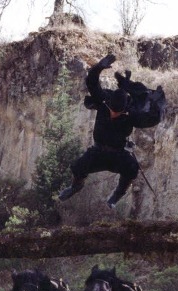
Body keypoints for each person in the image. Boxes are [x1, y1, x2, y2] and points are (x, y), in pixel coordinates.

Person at [58, 54, 144, 209]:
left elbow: (148, 116)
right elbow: (91, 82)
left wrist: (156, 104)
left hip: (118, 153)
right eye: (112, 110)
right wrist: (98, 68)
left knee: (132, 168)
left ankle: (116, 195)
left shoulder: (131, 111)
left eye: (118, 112)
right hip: (98, 152)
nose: (113, 114)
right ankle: (75, 187)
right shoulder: (103, 99)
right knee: (78, 166)